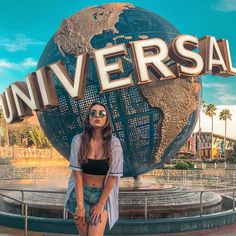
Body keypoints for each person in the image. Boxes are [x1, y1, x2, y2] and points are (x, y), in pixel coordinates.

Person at [64, 101, 124, 236]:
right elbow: (77, 174)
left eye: (102, 114)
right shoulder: (78, 141)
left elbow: (113, 177)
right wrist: (80, 205)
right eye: (93, 113)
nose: (97, 116)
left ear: (106, 119)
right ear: (88, 118)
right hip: (80, 194)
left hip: (101, 195)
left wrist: (100, 205)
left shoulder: (114, 144)